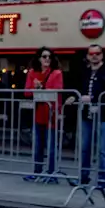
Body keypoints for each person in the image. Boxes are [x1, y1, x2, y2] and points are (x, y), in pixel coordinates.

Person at [70, 44, 105, 189]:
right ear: (87, 56)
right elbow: (79, 88)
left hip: (103, 115)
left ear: (102, 55)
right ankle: (83, 177)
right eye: (91, 53)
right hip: (87, 114)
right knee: (85, 147)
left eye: (97, 53)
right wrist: (76, 97)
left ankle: (103, 180)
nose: (94, 56)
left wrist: (94, 98)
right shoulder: (85, 72)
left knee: (102, 149)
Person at [24, 47, 64, 183]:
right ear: (39, 58)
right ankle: (37, 171)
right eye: (44, 56)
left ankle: (52, 174)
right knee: (38, 144)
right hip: (38, 112)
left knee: (51, 144)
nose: (47, 59)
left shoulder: (56, 73)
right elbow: (27, 92)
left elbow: (57, 91)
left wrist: (41, 88)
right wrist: (34, 88)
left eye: (49, 57)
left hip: (51, 112)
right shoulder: (32, 72)